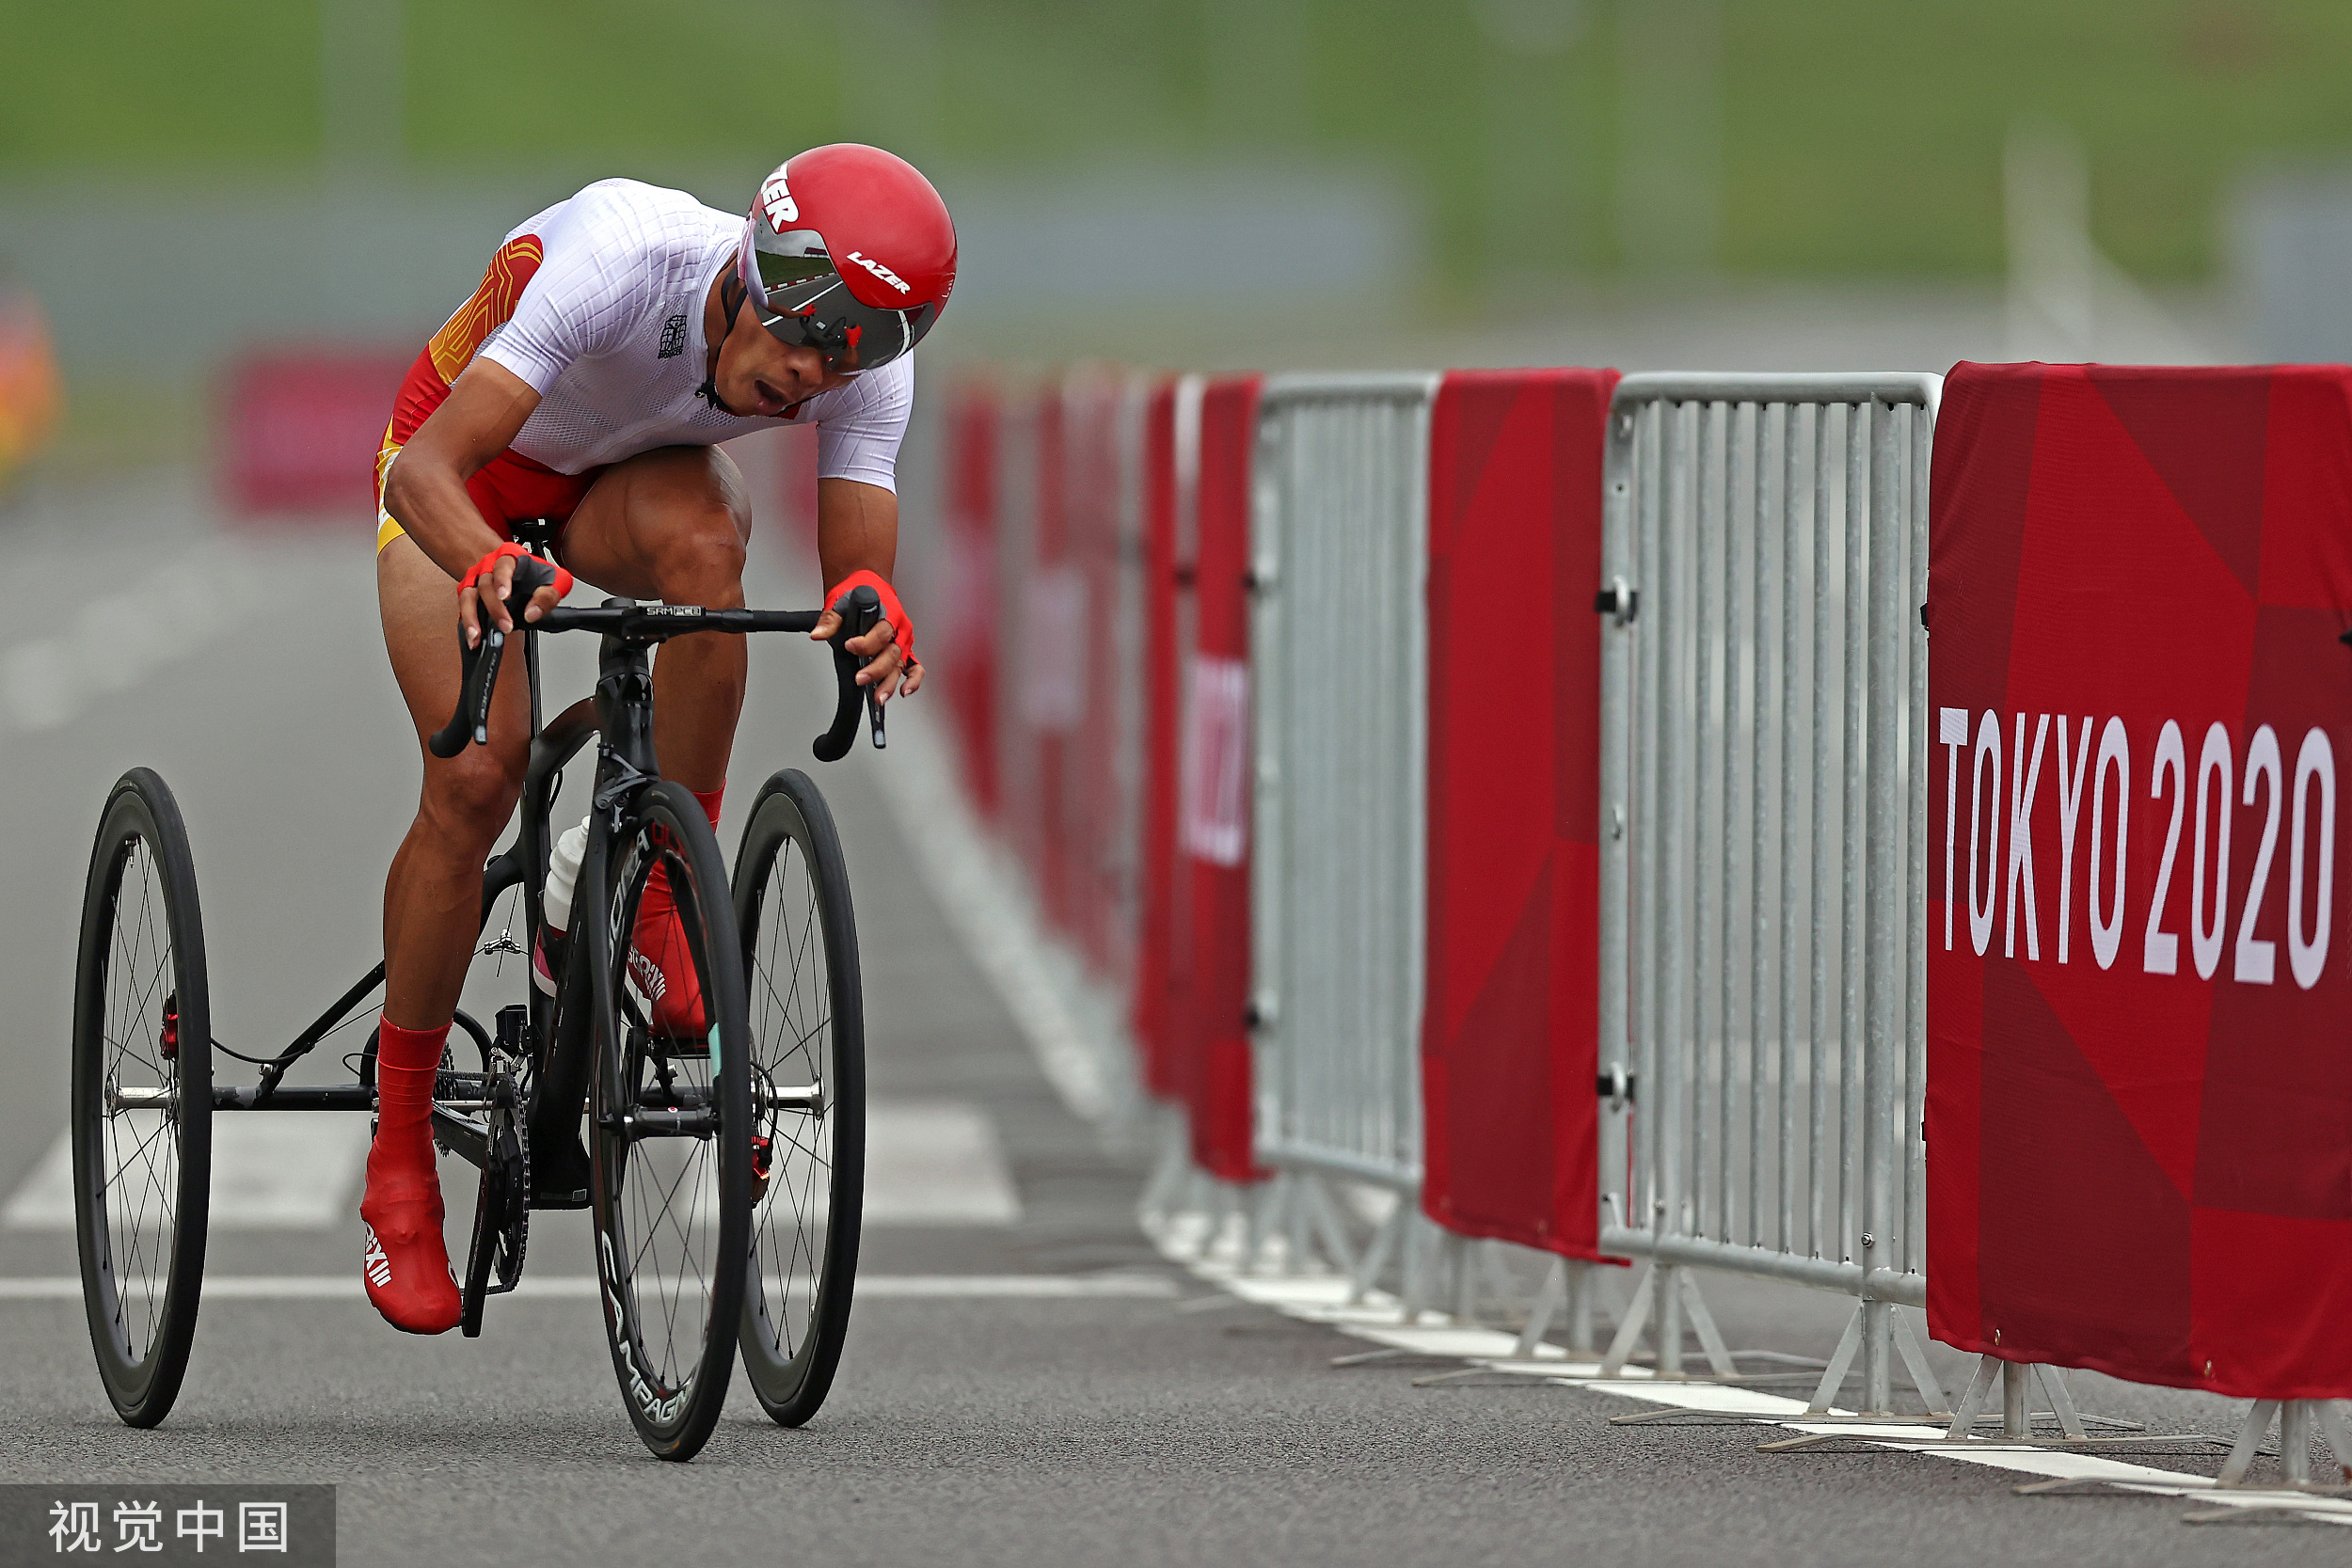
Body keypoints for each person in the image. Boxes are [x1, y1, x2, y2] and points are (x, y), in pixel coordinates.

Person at [362, 144, 955, 1333]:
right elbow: (430, 465)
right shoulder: (618, 258)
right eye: (799, 340)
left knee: (708, 556)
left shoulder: (857, 357)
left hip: (615, 488)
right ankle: (399, 1148)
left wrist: (873, 612)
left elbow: (856, 567)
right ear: (753, 269)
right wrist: (483, 560)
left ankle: (657, 889)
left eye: (844, 358)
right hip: (468, 479)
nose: (806, 380)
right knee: (476, 777)